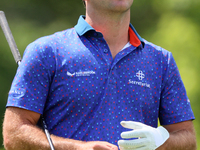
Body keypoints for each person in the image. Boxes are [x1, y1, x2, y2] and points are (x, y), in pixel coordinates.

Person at [3, 0, 197, 150]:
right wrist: (78, 148)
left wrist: (159, 141)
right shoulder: (46, 52)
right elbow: (14, 134)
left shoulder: (161, 60)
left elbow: (187, 138)